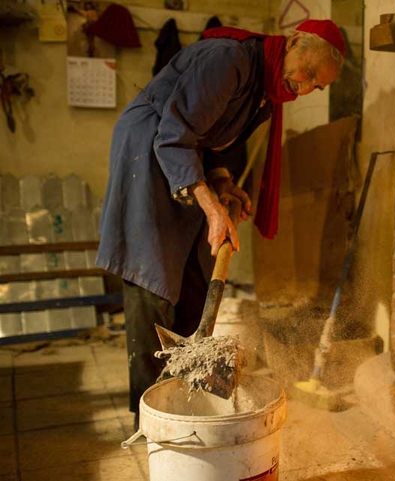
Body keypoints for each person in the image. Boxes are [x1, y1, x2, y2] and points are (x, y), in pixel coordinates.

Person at [96, 19, 346, 427]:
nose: (305, 86)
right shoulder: (228, 60)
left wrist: (223, 184)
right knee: (153, 276)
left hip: (179, 160)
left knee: (194, 274)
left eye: (317, 86)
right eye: (310, 71)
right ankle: (152, 417)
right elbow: (175, 135)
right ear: (295, 41)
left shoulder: (263, 95)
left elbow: (210, 142)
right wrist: (211, 208)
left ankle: (187, 403)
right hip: (149, 152)